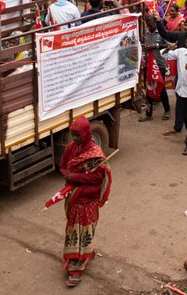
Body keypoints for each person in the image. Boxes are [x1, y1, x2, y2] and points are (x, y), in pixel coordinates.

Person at [58, 116, 111, 287]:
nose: (74, 139)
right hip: (74, 200)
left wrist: (77, 179)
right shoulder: (71, 148)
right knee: (74, 233)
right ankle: (80, 255)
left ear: (86, 134)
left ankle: (76, 268)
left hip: (88, 200)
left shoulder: (96, 155)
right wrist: (68, 176)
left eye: (77, 135)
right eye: (72, 135)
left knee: (85, 233)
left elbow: (97, 180)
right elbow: (63, 165)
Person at [141, 15, 170, 122]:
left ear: (155, 22)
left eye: (151, 25)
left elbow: (168, 45)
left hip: (160, 65)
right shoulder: (145, 33)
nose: (149, 27)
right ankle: (148, 114)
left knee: (161, 89)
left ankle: (167, 110)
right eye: (148, 26)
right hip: (148, 65)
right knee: (149, 89)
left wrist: (156, 45)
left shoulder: (162, 33)